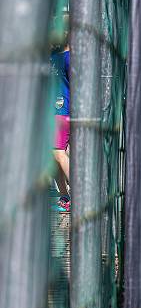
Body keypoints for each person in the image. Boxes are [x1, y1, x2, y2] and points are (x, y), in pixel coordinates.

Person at [51, 43, 71, 213]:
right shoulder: (51, 57)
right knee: (53, 157)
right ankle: (65, 197)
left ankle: (81, 196)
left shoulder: (69, 58)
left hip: (63, 112)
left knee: (58, 153)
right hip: (52, 112)